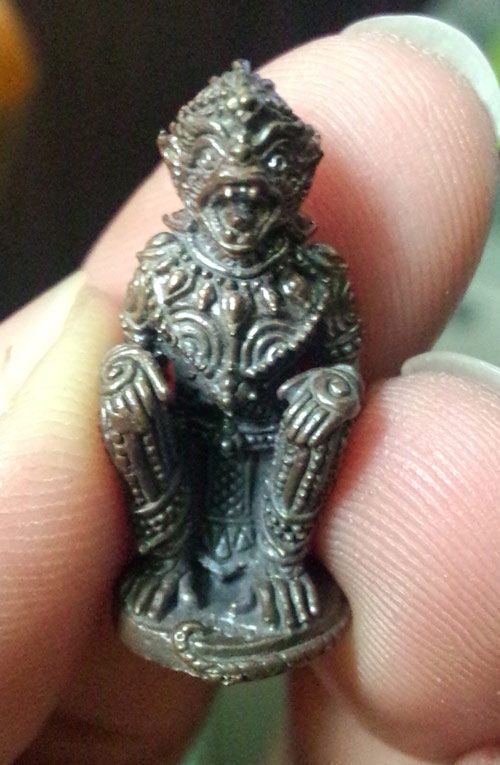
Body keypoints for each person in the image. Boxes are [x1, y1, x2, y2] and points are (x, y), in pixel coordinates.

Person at [1, 14, 500, 765]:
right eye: (225, 200)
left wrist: (329, 390)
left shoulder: (316, 276)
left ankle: (278, 563)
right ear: (193, 185)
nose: (239, 219)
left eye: (256, 202)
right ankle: (167, 557)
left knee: (325, 408)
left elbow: (346, 362)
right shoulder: (165, 267)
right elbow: (133, 344)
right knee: (123, 391)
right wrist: (132, 377)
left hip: (279, 446)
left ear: (288, 191)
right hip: (186, 444)